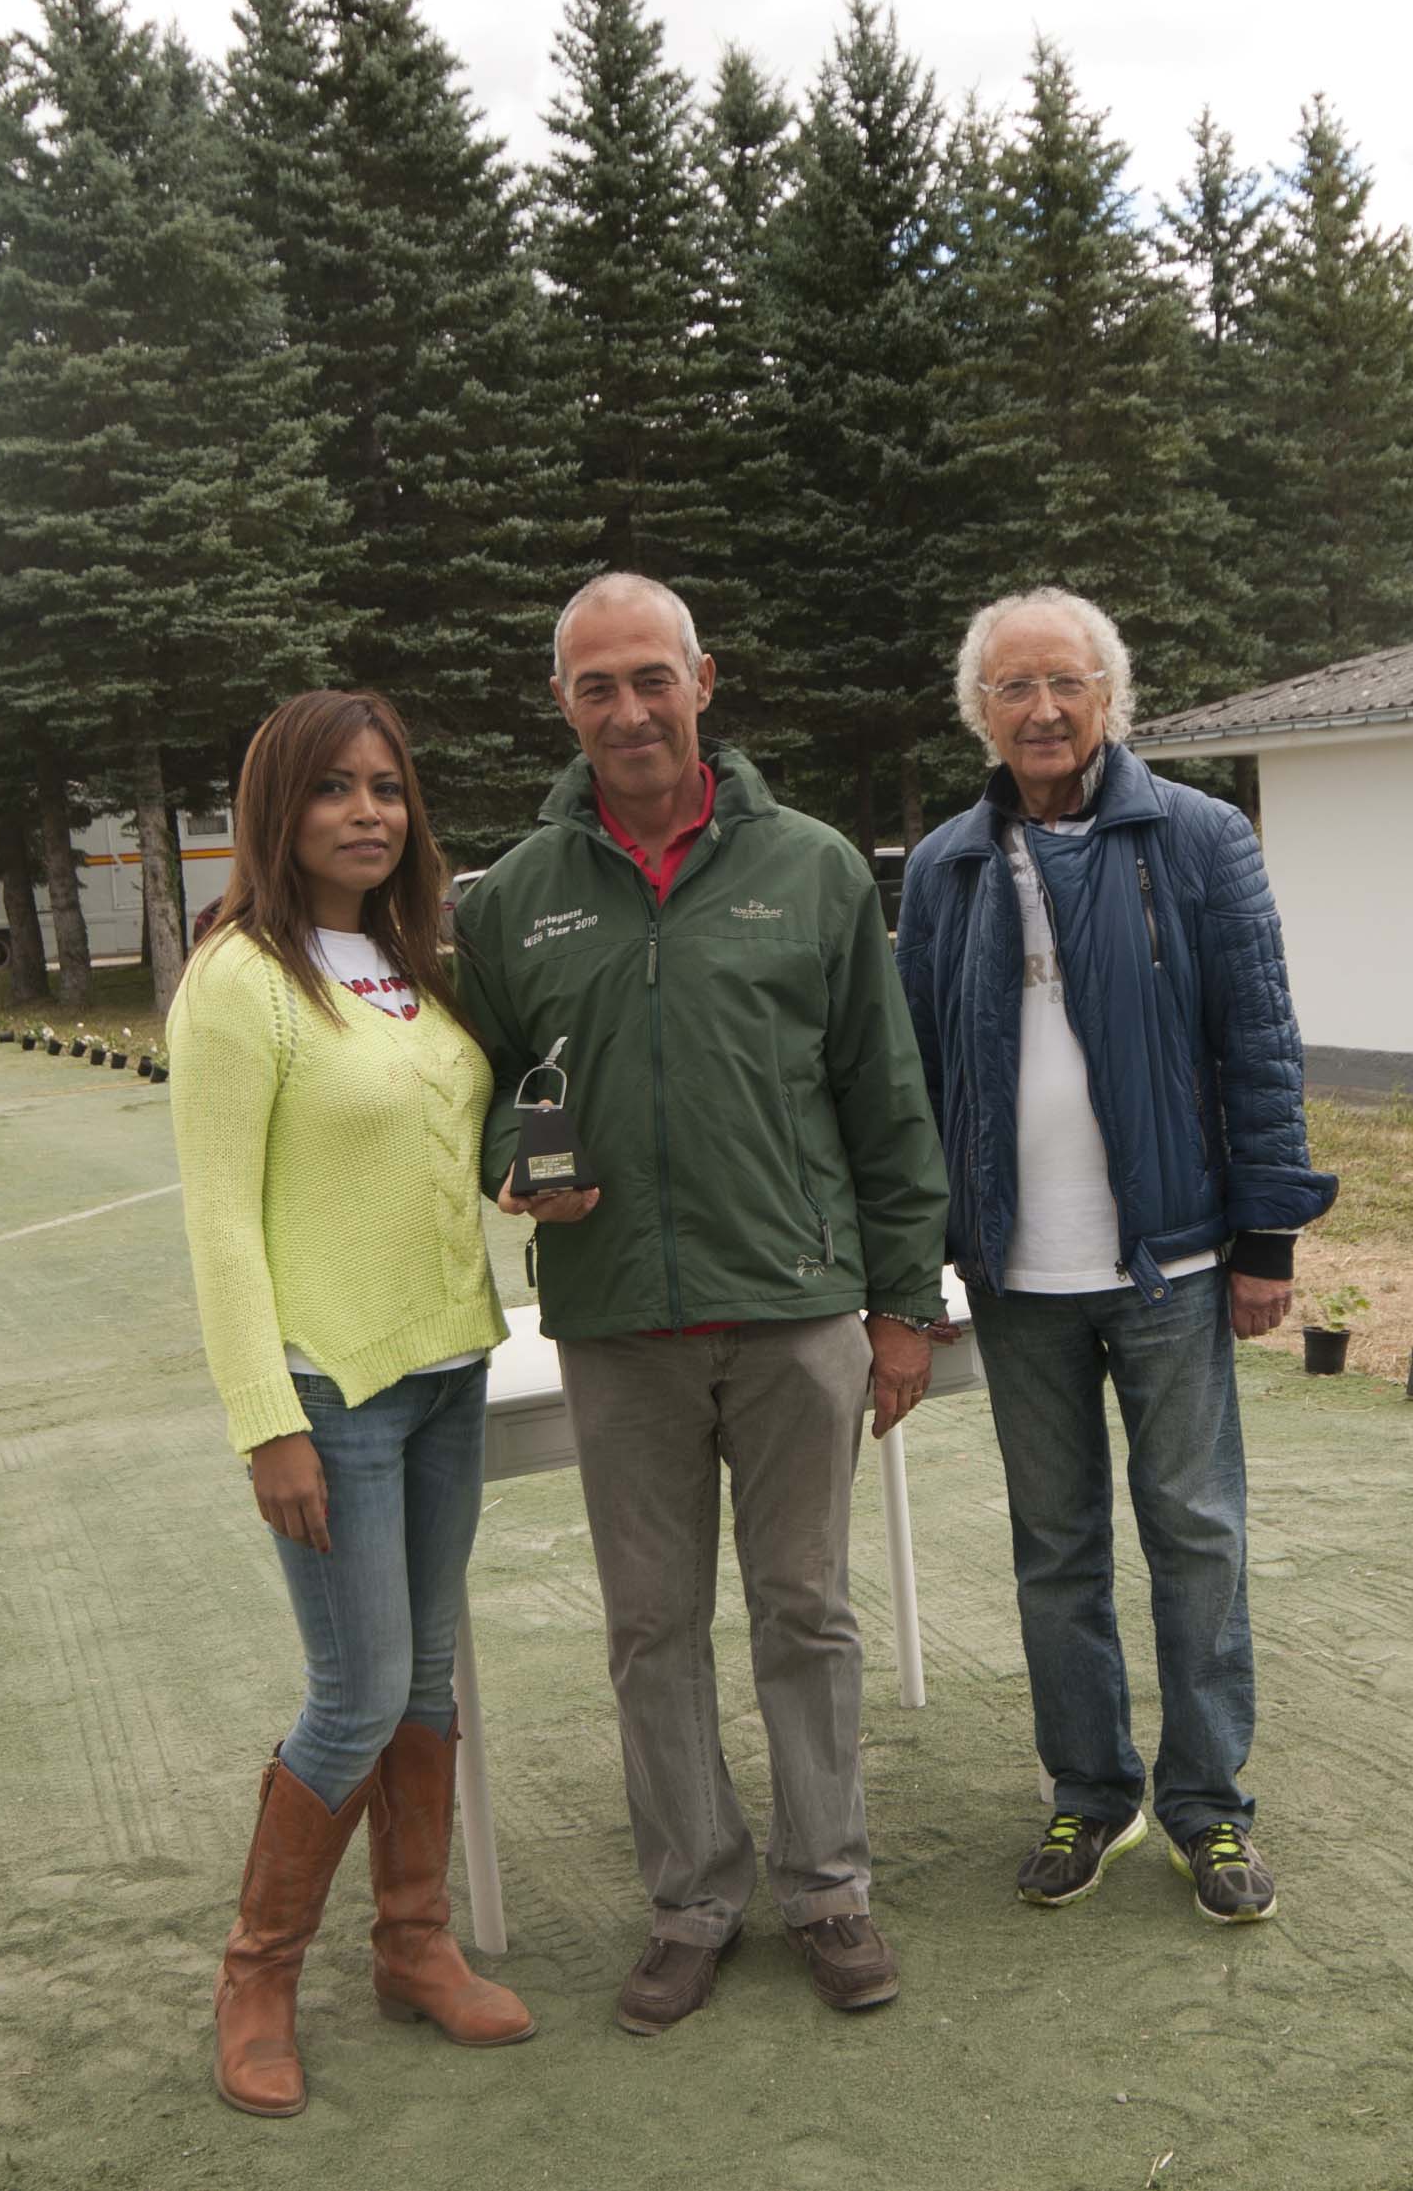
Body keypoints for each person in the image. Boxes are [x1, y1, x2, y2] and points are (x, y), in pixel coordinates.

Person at [456, 573, 952, 2034]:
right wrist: (512, 1169)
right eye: (595, 685)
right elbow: (482, 1092)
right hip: (614, 1322)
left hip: (795, 1306)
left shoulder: (812, 868)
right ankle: (690, 1900)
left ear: (702, 681)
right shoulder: (516, 896)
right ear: (564, 704)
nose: (627, 709)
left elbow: (885, 1095)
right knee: (648, 1625)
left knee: (805, 1606)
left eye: (649, 678)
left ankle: (827, 1887)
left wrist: (901, 1302)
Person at [894, 589, 1336, 1924]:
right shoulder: (941, 867)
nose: (1042, 710)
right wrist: (922, 1265)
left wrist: (1264, 1232)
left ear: (1110, 697)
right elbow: (910, 1080)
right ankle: (1090, 1792)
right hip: (1016, 1276)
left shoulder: (1197, 840)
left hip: (1177, 1263)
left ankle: (1208, 1808)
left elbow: (1257, 1040)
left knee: (1194, 1532)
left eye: (1066, 683)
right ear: (980, 710)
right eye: (1014, 687)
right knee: (1053, 1545)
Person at [166, 688, 530, 2120]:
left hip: (449, 1366)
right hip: (330, 1385)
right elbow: (216, 1223)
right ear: (278, 809)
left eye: (386, 786)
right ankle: (256, 1972)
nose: (367, 811)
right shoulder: (239, 978)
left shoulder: (409, 959)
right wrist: (267, 1416)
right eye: (333, 789)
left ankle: (414, 1945)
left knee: (427, 1676)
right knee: (358, 1688)